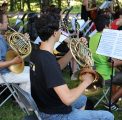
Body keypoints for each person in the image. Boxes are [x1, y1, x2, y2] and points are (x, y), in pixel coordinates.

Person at [30, 13, 114, 120]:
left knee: (82, 99)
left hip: (45, 106)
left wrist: (72, 51)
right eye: (61, 29)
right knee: (108, 116)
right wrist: (87, 81)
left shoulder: (37, 54)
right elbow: (68, 99)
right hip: (54, 115)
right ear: (55, 33)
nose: (63, 31)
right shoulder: (48, 62)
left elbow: (58, 66)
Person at [89, 14, 122, 110]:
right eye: (110, 25)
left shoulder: (93, 37)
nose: (111, 27)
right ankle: (111, 102)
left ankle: (113, 101)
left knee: (118, 72)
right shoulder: (107, 39)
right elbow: (113, 63)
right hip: (105, 75)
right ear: (106, 26)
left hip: (95, 71)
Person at [0, 1, 30, 93]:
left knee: (32, 70)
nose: (8, 24)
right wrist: (13, 61)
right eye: (6, 22)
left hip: (6, 70)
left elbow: (9, 51)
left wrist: (22, 41)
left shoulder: (1, 36)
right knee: (30, 77)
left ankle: (21, 100)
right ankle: (28, 106)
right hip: (3, 75)